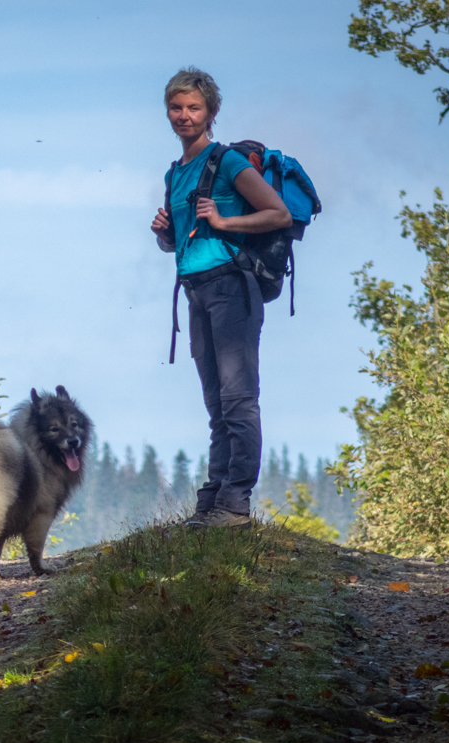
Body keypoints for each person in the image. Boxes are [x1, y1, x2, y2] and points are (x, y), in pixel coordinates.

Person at [150, 67, 291, 529]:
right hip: (195, 291)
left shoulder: (226, 161)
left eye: (194, 107)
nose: (184, 116)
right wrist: (165, 234)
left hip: (232, 288)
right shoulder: (175, 173)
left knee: (238, 399)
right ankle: (213, 498)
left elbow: (278, 213)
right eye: (177, 107)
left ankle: (235, 503)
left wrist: (228, 223)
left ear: (211, 112)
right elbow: (181, 245)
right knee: (216, 403)